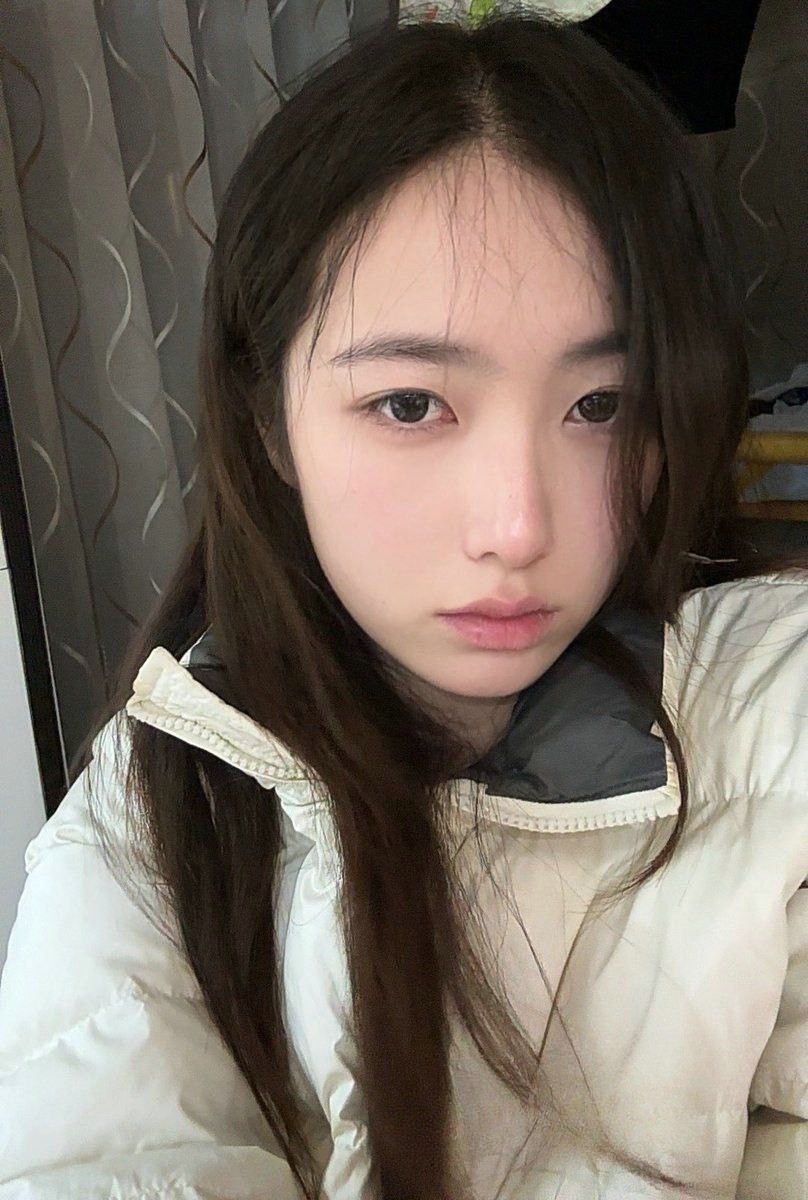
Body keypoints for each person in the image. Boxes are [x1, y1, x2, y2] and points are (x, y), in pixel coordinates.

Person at [0, 10, 806, 1200]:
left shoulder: (773, 716)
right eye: (411, 405)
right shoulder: (151, 828)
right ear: (269, 423)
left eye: (601, 406)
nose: (517, 528)